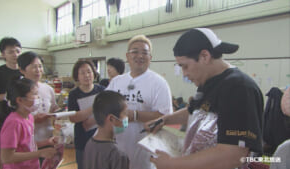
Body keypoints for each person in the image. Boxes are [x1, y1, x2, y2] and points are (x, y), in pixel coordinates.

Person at [146, 28, 264, 169]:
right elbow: (195, 111)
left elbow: (233, 155)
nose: (184, 74)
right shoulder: (208, 82)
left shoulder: (239, 88)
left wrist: (173, 164)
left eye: (185, 66)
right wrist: (165, 120)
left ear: (204, 56)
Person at [106, 35, 173, 169]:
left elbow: (165, 116)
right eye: (135, 51)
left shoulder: (158, 83)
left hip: (145, 153)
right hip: (117, 148)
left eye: (145, 53)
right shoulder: (116, 82)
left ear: (150, 58)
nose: (140, 56)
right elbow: (105, 106)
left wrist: (136, 115)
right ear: (127, 56)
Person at [0, 78, 57, 169]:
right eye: (34, 94)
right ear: (20, 100)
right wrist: (40, 153)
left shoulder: (29, 117)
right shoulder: (14, 123)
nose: (38, 98)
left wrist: (47, 142)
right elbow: (6, 157)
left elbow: (27, 145)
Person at [17, 51, 59, 165]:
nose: (38, 70)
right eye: (33, 67)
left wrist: (59, 115)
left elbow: (54, 109)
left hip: (48, 139)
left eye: (40, 66)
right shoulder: (17, 91)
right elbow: (15, 118)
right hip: (27, 145)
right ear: (22, 70)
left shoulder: (48, 89)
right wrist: (34, 119)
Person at [0, 37, 22, 169]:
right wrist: (2, 98)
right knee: (1, 158)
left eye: (17, 51)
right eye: (10, 52)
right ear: (3, 54)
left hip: (23, 121)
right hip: (2, 123)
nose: (15, 54)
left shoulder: (25, 72)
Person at [68, 60, 105, 169]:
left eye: (89, 72)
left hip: (101, 138)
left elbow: (107, 112)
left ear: (94, 73)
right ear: (77, 76)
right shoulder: (74, 94)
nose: (87, 75)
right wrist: (95, 107)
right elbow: (73, 118)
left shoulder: (102, 90)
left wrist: (89, 120)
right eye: (82, 73)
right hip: (82, 140)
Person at [83, 90, 129, 169]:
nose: (127, 118)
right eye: (125, 114)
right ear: (111, 119)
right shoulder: (118, 155)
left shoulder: (89, 144)